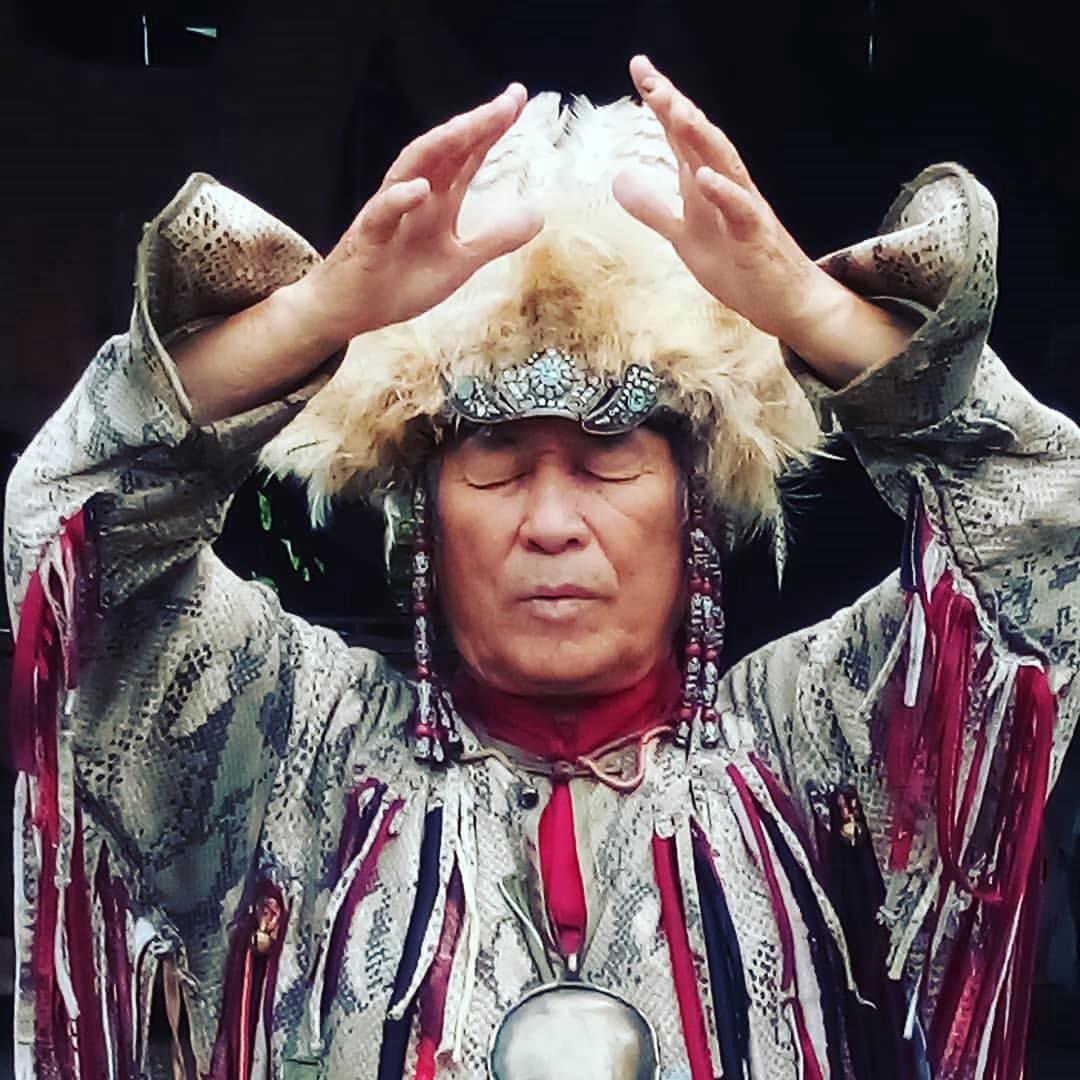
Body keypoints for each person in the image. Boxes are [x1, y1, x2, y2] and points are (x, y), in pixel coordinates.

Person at [5, 55, 1078, 1080]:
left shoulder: (819, 739)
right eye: (497, 460)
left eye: (609, 456)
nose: (553, 522)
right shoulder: (295, 745)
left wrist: (810, 311)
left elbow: (1043, 536)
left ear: (693, 505)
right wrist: (317, 316)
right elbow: (68, 541)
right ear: (424, 516)